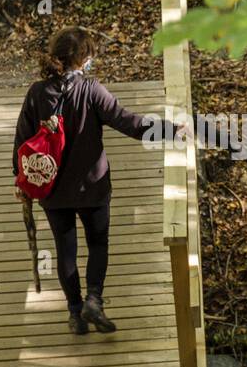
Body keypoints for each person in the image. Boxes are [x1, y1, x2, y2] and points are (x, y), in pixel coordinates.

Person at [13, 27, 182, 335]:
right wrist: (171, 130)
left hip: (52, 191)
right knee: (97, 244)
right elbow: (128, 122)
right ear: (84, 58)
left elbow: (22, 141)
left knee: (65, 251)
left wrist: (20, 182)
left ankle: (75, 314)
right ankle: (94, 299)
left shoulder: (37, 93)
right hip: (92, 187)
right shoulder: (91, 90)